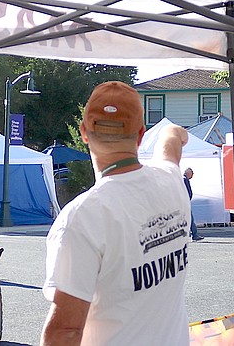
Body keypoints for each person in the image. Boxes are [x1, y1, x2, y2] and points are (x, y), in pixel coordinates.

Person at [41, 81, 191, 346]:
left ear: (84, 132)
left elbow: (65, 332)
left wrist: (172, 134)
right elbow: (171, 146)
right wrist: (172, 130)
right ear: (141, 135)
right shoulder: (170, 180)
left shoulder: (82, 217)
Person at [184, 168, 204, 241]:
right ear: (188, 173)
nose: (192, 175)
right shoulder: (184, 180)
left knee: (189, 219)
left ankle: (192, 234)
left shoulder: (184, 179)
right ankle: (194, 234)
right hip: (185, 203)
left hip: (185, 202)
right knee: (190, 219)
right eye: (192, 173)